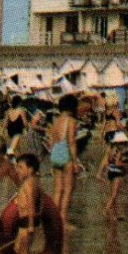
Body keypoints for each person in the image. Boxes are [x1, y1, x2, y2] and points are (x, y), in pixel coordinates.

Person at [9, 152, 43, 254]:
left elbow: (31, 203)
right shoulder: (32, 182)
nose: (17, 170)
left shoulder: (30, 184)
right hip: (25, 220)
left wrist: (31, 225)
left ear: (31, 169)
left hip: (27, 221)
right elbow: (41, 203)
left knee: (23, 252)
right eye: (17, 167)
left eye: (20, 167)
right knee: (18, 248)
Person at [47, 95, 79, 223]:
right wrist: (75, 162)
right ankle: (63, 220)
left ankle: (54, 219)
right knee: (68, 189)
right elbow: (71, 142)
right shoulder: (71, 121)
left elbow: (51, 142)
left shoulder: (56, 121)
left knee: (58, 189)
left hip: (55, 154)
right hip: (66, 153)